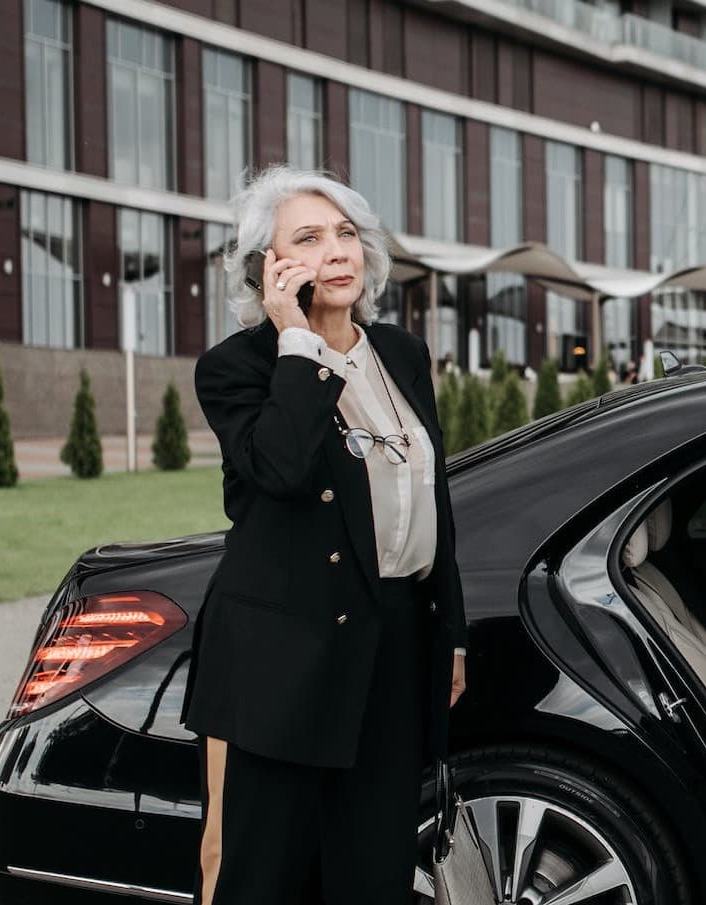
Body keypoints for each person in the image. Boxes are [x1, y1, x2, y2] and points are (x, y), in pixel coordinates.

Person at [185, 166, 468, 903]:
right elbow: (279, 467)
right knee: (266, 877)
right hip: (287, 661)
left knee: (371, 873)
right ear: (266, 268)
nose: (336, 250)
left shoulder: (401, 354)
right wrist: (300, 345)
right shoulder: (234, 370)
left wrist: (452, 633)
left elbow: (431, 496)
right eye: (307, 238)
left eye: (346, 233)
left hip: (393, 648)